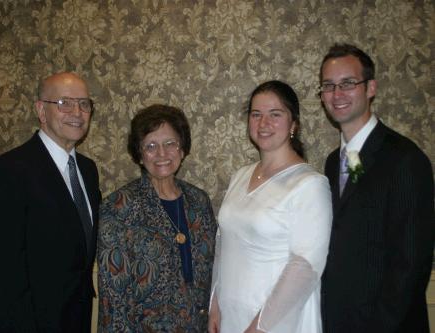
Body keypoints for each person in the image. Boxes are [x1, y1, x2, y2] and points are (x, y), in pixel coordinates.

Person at [319, 43, 434, 332]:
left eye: (347, 83)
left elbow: (411, 265)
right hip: (338, 320)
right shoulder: (335, 162)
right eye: (328, 86)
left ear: (371, 88)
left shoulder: (405, 160)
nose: (337, 94)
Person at [0, 72, 101, 333]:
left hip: (75, 320)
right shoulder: (8, 171)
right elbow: (4, 276)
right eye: (64, 103)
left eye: (84, 104)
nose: (77, 112)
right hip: (25, 324)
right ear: (41, 111)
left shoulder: (88, 171)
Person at [208, 80, 333, 333]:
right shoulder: (240, 175)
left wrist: (260, 327)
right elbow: (223, 242)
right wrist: (214, 302)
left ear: (293, 124)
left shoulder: (310, 185)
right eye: (256, 114)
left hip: (276, 322)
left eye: (275, 114)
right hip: (230, 316)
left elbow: (305, 268)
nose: (263, 123)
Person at [97, 104, 216, 332]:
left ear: (182, 149)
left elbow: (212, 275)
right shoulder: (119, 207)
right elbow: (113, 299)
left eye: (170, 143)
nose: (162, 154)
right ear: (140, 155)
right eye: (151, 146)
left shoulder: (199, 201)